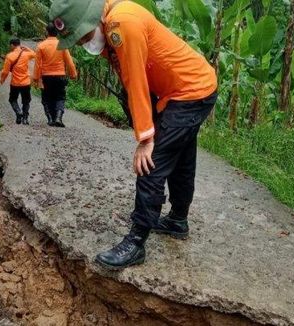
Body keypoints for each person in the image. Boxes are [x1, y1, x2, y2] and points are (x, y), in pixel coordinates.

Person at [49, 0, 218, 270]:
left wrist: (146, 139)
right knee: (181, 156)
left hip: (189, 92)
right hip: (187, 88)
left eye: (83, 36)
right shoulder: (110, 22)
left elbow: (136, 78)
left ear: (93, 19)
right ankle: (177, 220)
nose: (82, 44)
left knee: (151, 163)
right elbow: (133, 81)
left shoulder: (121, 23)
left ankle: (136, 241)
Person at [33, 23, 78, 127]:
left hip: (46, 76)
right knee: (59, 97)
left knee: (47, 97)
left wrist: (35, 78)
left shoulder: (41, 46)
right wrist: (73, 74)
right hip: (60, 75)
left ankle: (50, 119)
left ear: (47, 32)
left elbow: (37, 64)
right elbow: (69, 62)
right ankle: (58, 118)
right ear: (57, 32)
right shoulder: (62, 45)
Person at [0, 38, 37, 125]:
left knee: (12, 99)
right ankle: (25, 119)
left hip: (15, 83)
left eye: (10, 45)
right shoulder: (26, 54)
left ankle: (18, 112)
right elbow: (35, 54)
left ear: (12, 45)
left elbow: (5, 71)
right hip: (26, 82)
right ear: (19, 45)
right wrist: (27, 48)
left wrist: (2, 79)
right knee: (26, 101)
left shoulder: (9, 56)